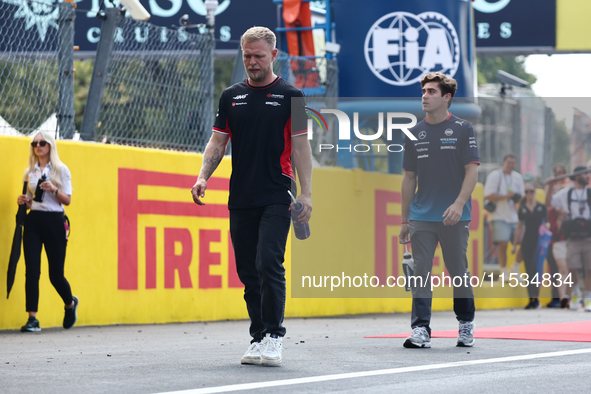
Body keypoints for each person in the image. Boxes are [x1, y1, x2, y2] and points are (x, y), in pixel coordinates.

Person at [190, 26, 313, 366]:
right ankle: (258, 335)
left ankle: (274, 336)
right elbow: (217, 143)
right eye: (247, 56)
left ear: (274, 55)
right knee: (248, 272)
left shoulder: (293, 96)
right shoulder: (230, 96)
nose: (253, 62)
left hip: (278, 192)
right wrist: (203, 176)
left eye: (259, 55)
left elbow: (301, 147)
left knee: (268, 262)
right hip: (241, 195)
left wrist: (308, 194)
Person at [399, 72, 480, 348]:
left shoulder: (462, 128)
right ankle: (421, 329)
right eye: (423, 91)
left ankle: (465, 324)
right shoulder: (414, 132)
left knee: (457, 270)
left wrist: (458, 204)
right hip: (421, 216)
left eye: (431, 92)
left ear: (447, 97)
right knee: (421, 271)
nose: (425, 96)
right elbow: (409, 178)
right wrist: (404, 220)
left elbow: (472, 172)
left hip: (454, 217)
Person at [17, 131, 78, 332]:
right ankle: (32, 318)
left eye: (42, 142)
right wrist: (24, 202)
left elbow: (67, 200)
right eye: (35, 143)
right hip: (34, 220)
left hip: (55, 220)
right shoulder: (30, 172)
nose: (38, 146)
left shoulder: (61, 169)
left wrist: (53, 189)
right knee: (32, 270)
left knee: (55, 275)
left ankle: (70, 304)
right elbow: (29, 198)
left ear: (50, 145)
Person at [551, 166, 591, 311]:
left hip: (588, 236)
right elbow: (550, 202)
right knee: (573, 268)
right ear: (577, 176)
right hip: (572, 237)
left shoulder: (589, 192)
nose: (588, 176)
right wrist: (549, 187)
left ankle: (588, 298)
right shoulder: (566, 193)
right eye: (586, 174)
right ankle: (575, 293)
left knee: (589, 269)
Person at [483, 154, 525, 277]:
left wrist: (516, 198)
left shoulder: (517, 177)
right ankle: (503, 271)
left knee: (524, 242)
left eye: (513, 163)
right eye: (509, 162)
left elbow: (521, 197)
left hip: (514, 216)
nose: (511, 165)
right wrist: (506, 196)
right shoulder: (495, 175)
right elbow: (487, 195)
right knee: (503, 243)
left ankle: (515, 267)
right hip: (498, 216)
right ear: (503, 162)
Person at [512, 182, 547, 309]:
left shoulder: (541, 207)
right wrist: (515, 245)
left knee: (537, 269)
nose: (529, 194)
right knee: (529, 270)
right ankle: (531, 298)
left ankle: (536, 297)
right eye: (527, 192)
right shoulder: (522, 208)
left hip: (539, 242)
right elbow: (519, 227)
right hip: (527, 241)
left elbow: (546, 225)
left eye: (531, 191)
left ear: (535, 192)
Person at [544, 163, 571, 308]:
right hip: (557, 237)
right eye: (557, 172)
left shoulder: (571, 189)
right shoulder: (555, 193)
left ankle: (569, 296)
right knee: (562, 268)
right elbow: (548, 203)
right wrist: (550, 186)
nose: (560, 175)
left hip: (572, 236)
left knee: (571, 269)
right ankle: (562, 298)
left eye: (562, 172)